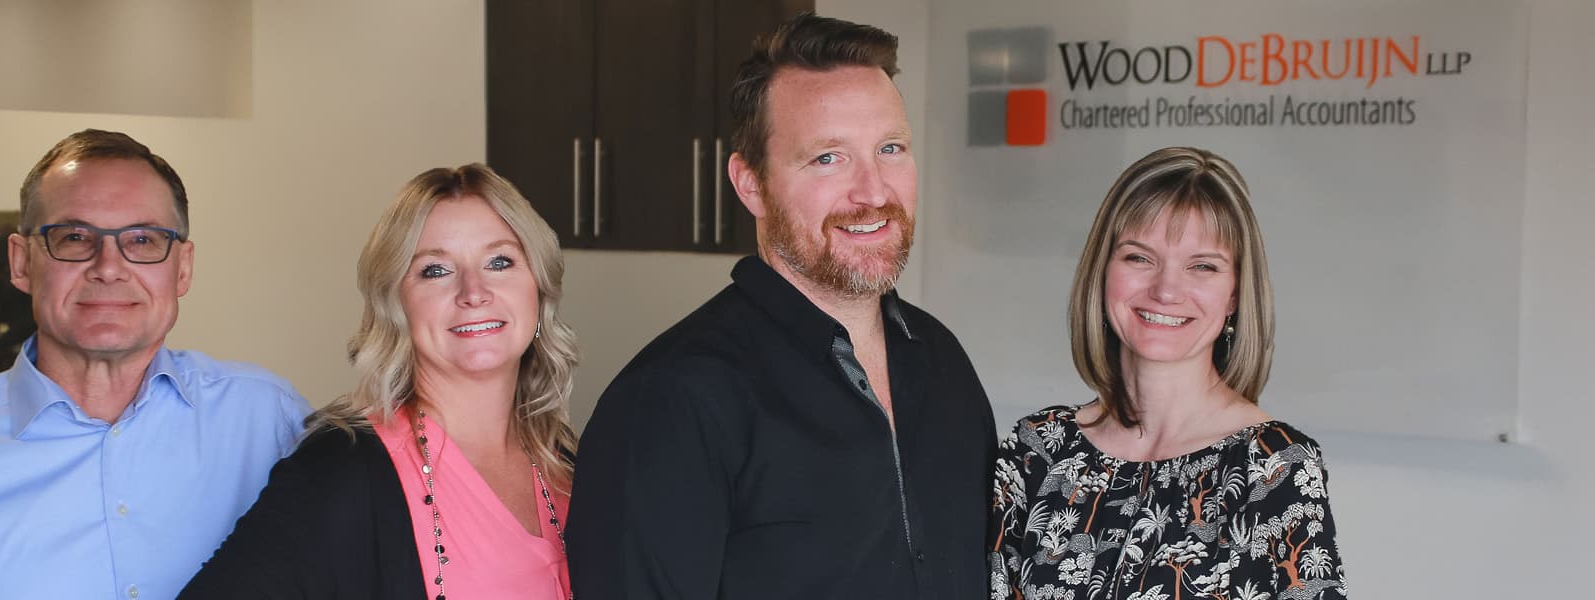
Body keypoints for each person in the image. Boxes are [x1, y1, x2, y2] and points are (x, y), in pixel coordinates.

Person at [566, 12, 998, 598]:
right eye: (828, 157)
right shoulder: (671, 402)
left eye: (890, 148)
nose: (873, 192)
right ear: (750, 184)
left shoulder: (942, 361)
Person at [0, 129, 312, 599]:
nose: (108, 266)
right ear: (21, 263)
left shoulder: (269, 419)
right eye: (75, 237)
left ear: (182, 268)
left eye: (143, 240)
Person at [181, 163, 579, 599]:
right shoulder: (341, 468)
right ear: (395, 304)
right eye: (435, 270)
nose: (473, 291)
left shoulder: (568, 459)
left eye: (500, 262)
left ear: (538, 289)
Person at [989, 147, 1347, 600]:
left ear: (1235, 295)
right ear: (1103, 272)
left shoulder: (1276, 469)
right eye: (1139, 258)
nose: (1166, 290)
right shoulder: (1037, 451)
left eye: (1202, 267)